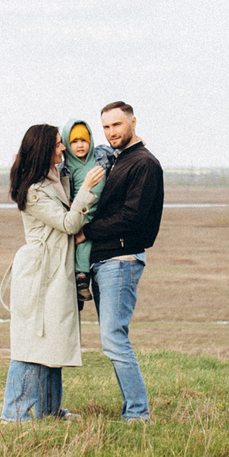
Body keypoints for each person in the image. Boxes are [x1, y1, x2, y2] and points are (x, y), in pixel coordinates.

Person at [1, 122, 107, 421]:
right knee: (32, 341)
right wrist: (86, 191)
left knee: (53, 340)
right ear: (44, 149)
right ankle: (16, 414)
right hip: (40, 272)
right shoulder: (34, 192)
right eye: (58, 144)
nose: (64, 147)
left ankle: (48, 410)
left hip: (55, 269)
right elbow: (69, 224)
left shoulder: (54, 180)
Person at [82, 101, 163, 421]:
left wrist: (85, 232)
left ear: (132, 122)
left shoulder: (143, 163)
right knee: (112, 338)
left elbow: (132, 217)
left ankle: (138, 414)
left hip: (121, 257)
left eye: (117, 125)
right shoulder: (118, 160)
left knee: (114, 338)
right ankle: (132, 409)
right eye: (106, 127)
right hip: (104, 259)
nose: (111, 132)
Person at [60, 119, 109, 316]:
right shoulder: (65, 170)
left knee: (90, 235)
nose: (80, 145)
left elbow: (121, 154)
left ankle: (83, 277)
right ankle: (81, 278)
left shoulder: (102, 156)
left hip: (103, 211)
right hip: (82, 212)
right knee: (82, 240)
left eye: (84, 140)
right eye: (74, 141)